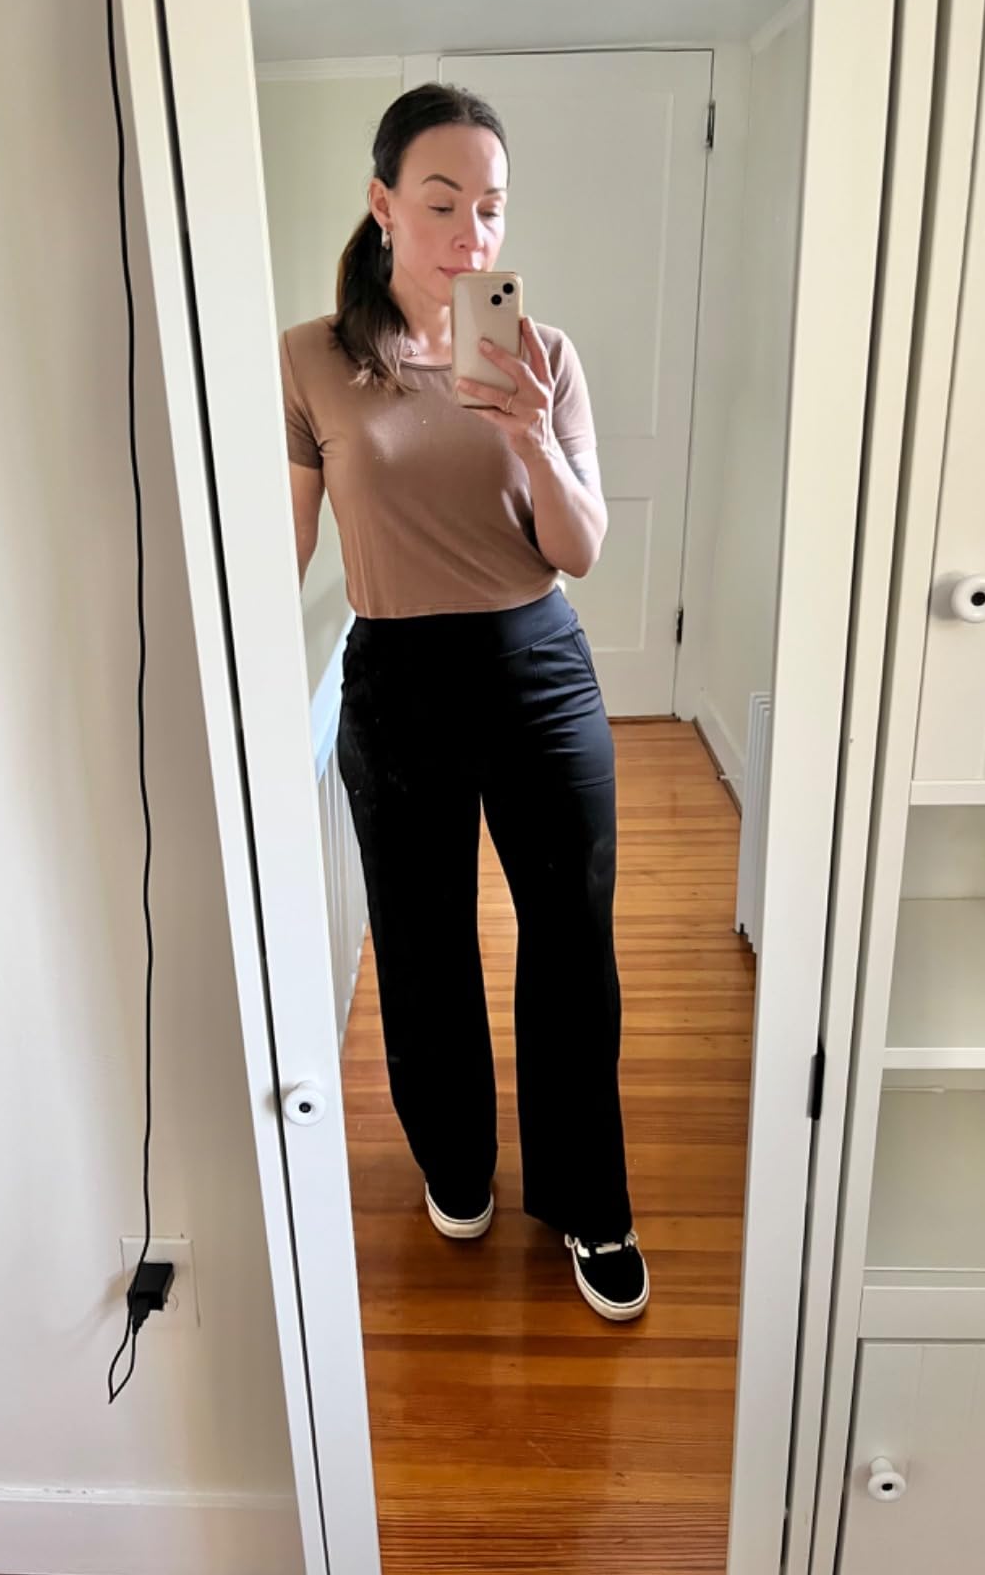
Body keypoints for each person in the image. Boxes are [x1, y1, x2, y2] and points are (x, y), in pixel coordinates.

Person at [278, 82, 648, 1322]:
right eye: (441, 203)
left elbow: (580, 547)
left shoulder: (545, 356)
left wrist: (534, 433)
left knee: (571, 943)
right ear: (382, 204)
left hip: (538, 668)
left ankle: (591, 1202)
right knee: (421, 942)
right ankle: (454, 1162)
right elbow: (282, 552)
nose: (469, 232)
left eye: (490, 208)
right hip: (396, 680)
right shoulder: (311, 360)